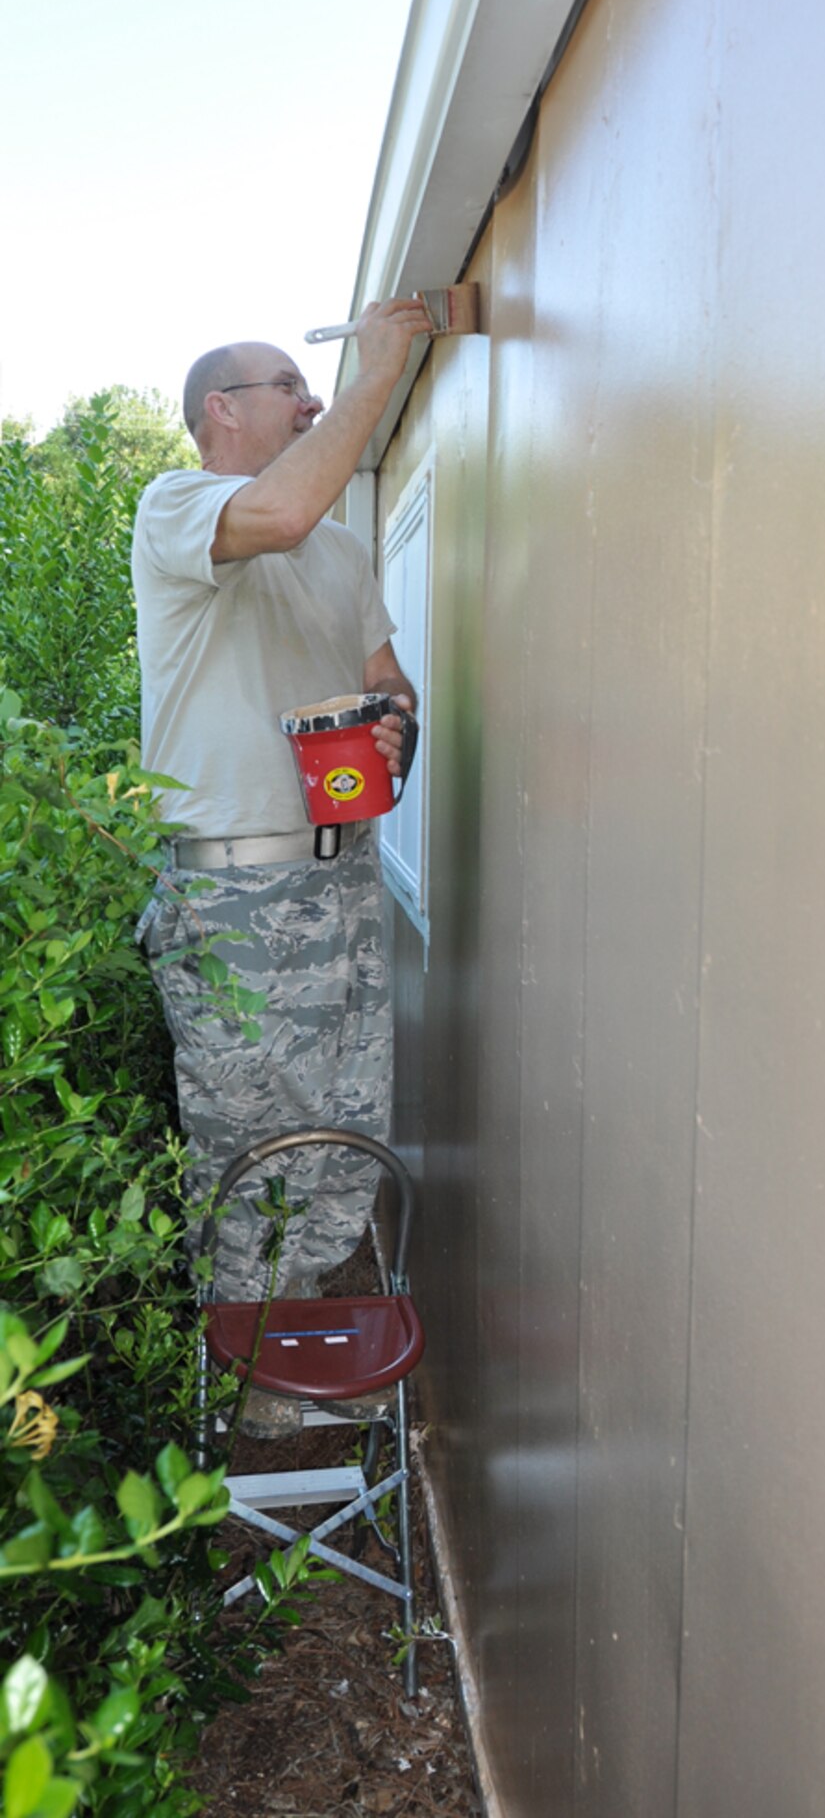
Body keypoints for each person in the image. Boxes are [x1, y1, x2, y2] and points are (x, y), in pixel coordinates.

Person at [132, 299, 433, 1436]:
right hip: (236, 893)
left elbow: (387, 677)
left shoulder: (341, 552)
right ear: (222, 409)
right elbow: (286, 499)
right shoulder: (181, 508)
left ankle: (289, 1359)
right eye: (287, 389)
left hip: (343, 872)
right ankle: (252, 1387)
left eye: (314, 389)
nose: (310, 402)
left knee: (345, 1118)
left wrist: (396, 727)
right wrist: (374, 372)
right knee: (249, 1131)